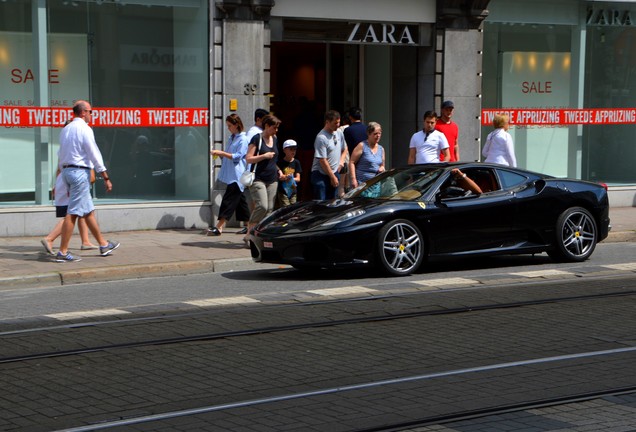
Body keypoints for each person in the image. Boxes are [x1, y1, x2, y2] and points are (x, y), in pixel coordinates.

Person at [56, 100, 119, 262]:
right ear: (83, 112)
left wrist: (63, 173)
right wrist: (105, 176)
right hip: (79, 173)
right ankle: (62, 252)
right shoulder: (85, 129)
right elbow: (94, 154)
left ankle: (103, 244)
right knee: (73, 213)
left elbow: (60, 153)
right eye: (90, 111)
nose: (92, 114)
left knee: (88, 211)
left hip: (67, 171)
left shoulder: (66, 129)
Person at [207, 114, 250, 236]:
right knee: (240, 201)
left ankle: (219, 226)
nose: (228, 128)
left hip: (237, 175)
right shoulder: (232, 138)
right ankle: (248, 226)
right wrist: (221, 154)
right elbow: (230, 154)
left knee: (228, 200)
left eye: (230, 126)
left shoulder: (243, 139)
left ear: (237, 125)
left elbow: (237, 156)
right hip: (232, 174)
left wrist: (221, 153)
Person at [245, 115, 283, 245]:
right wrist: (263, 156)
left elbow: (274, 160)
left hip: (272, 178)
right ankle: (250, 232)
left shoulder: (275, 139)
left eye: (277, 128)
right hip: (258, 178)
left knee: (270, 209)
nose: (276, 130)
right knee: (262, 206)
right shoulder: (257, 139)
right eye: (274, 127)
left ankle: (263, 237)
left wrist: (279, 170)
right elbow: (248, 158)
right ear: (266, 126)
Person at [40, 170, 97, 255]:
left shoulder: (65, 157)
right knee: (73, 214)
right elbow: (92, 178)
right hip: (76, 185)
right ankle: (50, 239)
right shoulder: (85, 158)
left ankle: (86, 242)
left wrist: (57, 185)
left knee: (83, 213)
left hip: (67, 183)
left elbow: (59, 168)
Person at [310, 110, 347, 200]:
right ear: (327, 122)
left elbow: (345, 148)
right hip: (321, 174)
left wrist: (341, 162)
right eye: (335, 123)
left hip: (334, 171)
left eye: (339, 122)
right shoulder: (321, 138)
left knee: (333, 201)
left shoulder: (339, 133)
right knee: (321, 202)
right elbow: (322, 160)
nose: (338, 125)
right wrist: (332, 177)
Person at [349, 122, 386, 189]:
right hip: (362, 184)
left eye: (379, 133)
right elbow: (352, 162)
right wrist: (353, 179)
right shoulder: (362, 146)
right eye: (375, 134)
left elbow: (382, 165)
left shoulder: (381, 149)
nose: (378, 136)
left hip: (375, 185)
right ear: (369, 134)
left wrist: (382, 168)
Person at [276, 139, 302, 208]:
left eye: (295, 149)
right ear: (284, 150)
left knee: (293, 209)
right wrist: (284, 177)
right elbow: (279, 177)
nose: (293, 151)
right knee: (285, 208)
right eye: (291, 149)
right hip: (283, 191)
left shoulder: (296, 162)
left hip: (293, 190)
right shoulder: (279, 163)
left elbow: (298, 178)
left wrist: (290, 178)